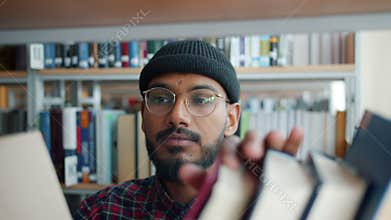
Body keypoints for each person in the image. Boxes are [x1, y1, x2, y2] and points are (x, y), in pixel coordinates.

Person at [76, 40, 303, 219]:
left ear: (232, 119)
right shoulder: (101, 211)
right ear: (143, 115)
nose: (177, 116)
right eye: (160, 98)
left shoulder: (270, 211)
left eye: (202, 100)